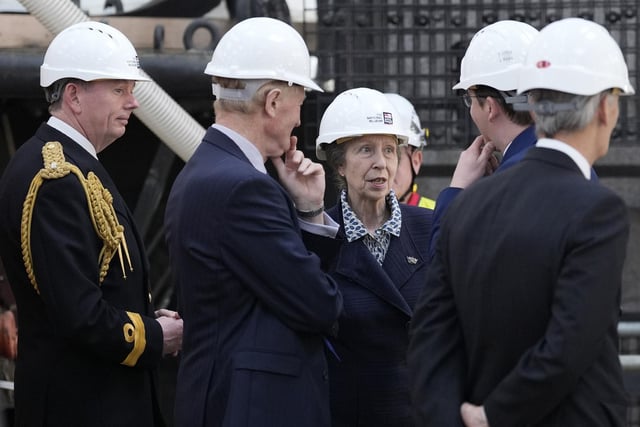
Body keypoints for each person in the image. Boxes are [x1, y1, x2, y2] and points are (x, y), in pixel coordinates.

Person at [408, 17, 633, 426]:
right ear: (606, 108)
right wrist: (491, 416)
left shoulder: (464, 205)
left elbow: (430, 334)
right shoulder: (595, 205)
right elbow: (570, 343)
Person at [0, 21, 183, 427]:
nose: (133, 102)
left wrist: (147, 317)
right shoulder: (55, 177)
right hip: (82, 406)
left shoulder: (76, 165)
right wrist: (155, 337)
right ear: (74, 95)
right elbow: (78, 314)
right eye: (119, 89)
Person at [164, 17, 343, 427]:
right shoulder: (245, 189)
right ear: (274, 101)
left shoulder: (207, 173)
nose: (300, 119)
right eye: (300, 103)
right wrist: (313, 215)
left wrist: (307, 207)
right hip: (252, 409)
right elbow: (319, 304)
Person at [305, 87, 433, 426]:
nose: (382, 163)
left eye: (390, 150)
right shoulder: (320, 236)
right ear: (339, 164)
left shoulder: (429, 228)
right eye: (366, 150)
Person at [427, 20, 539, 259]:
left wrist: (457, 191)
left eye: (469, 100)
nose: (470, 111)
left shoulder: (505, 186)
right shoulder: (571, 160)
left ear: (489, 107)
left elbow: (443, 264)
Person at [384, 93, 435, 209]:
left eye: (392, 155)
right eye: (368, 151)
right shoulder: (338, 222)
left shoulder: (437, 219)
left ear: (416, 160)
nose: (381, 166)